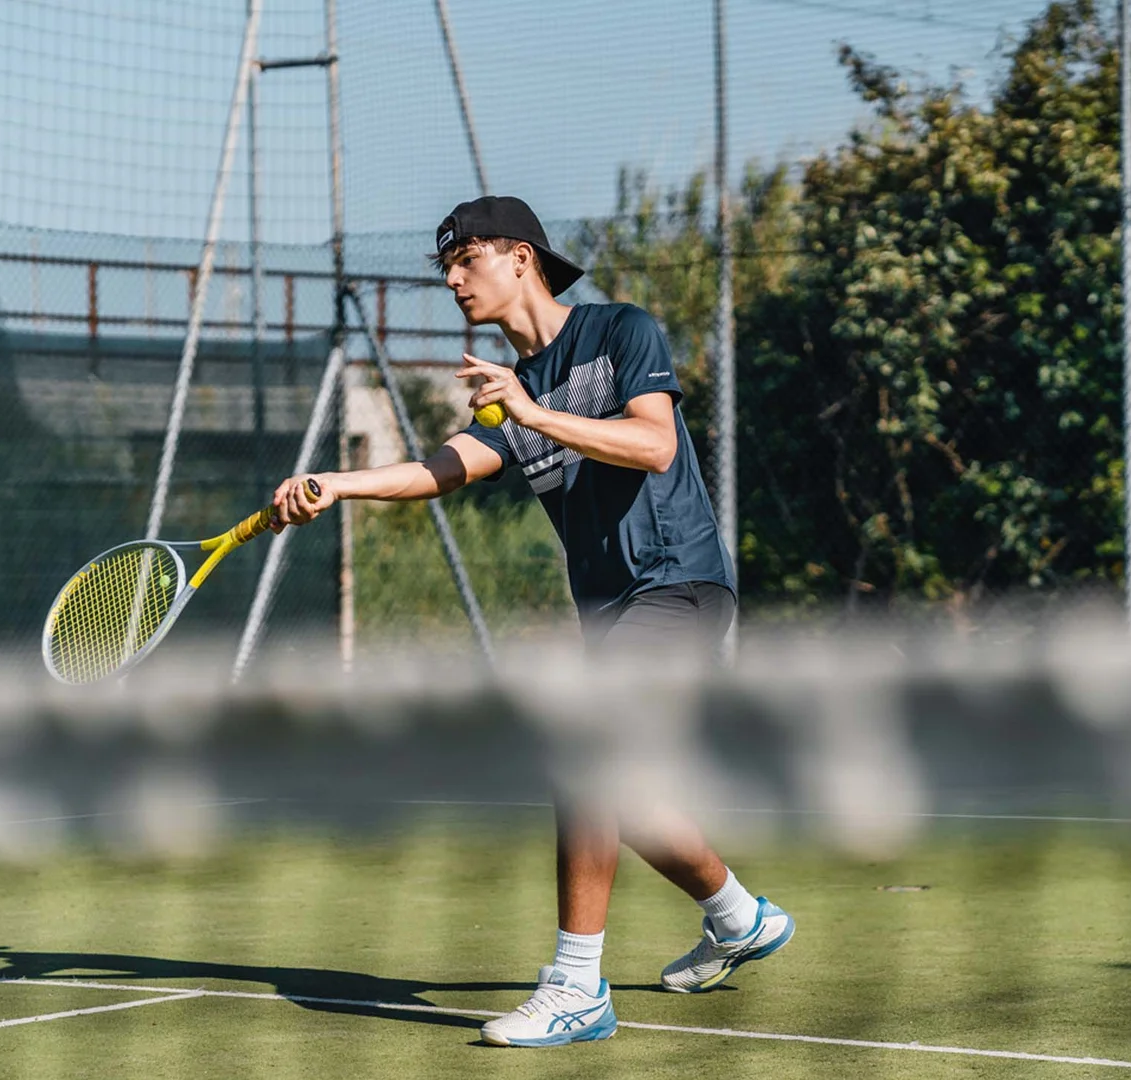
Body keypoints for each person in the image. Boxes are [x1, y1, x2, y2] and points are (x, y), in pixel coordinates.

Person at [269, 195, 793, 1048]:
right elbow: (442, 467)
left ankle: (577, 987)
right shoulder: (509, 394)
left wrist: (534, 412)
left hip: (678, 585)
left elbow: (655, 444)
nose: (450, 278)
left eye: (464, 259)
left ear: (520, 258)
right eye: (445, 265)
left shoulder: (622, 332)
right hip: (609, 609)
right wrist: (339, 484)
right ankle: (738, 917)